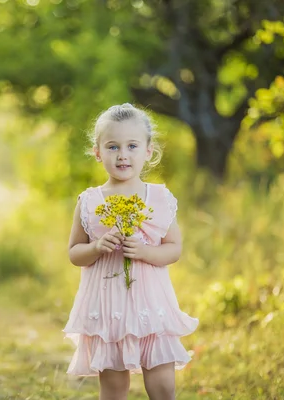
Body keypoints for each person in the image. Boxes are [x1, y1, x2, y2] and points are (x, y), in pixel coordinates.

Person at [63, 103, 199, 400]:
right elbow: (74, 252)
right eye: (112, 147)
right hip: (108, 307)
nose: (122, 155)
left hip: (151, 305)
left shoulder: (159, 198)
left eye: (132, 146)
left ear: (148, 151)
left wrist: (145, 252)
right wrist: (97, 247)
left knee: (162, 383)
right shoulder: (90, 201)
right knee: (113, 387)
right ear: (98, 152)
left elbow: (174, 249)